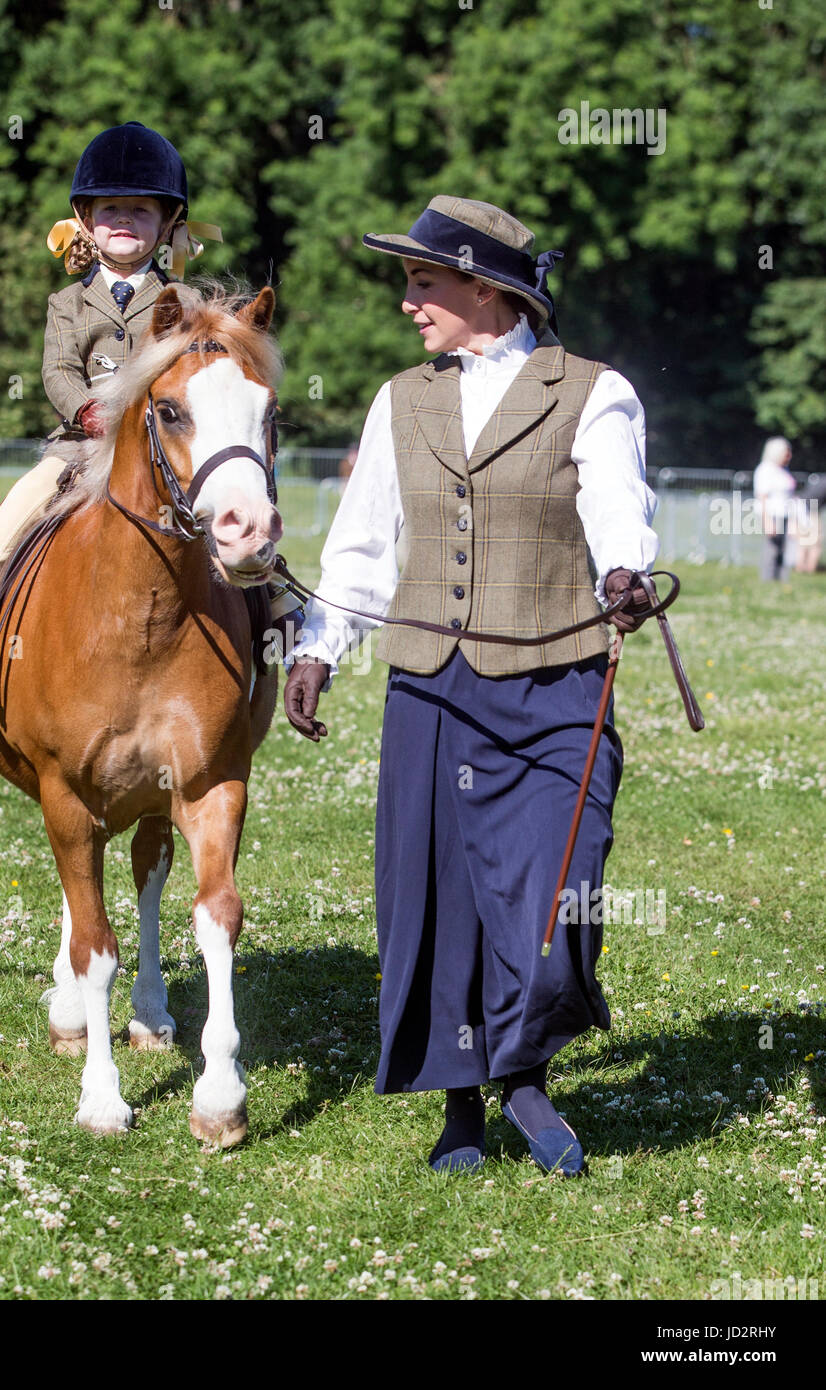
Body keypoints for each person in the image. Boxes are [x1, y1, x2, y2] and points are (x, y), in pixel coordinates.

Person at [283, 197, 658, 1176]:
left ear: (485, 288)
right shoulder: (400, 399)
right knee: (436, 899)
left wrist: (624, 570)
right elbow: (365, 540)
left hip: (557, 685)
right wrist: (319, 648)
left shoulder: (591, 391)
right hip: (430, 689)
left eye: (423, 282)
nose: (408, 303)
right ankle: (465, 1104)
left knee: (557, 895)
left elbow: (619, 496)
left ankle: (524, 1067)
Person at [0, 122, 303, 658]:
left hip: (165, 441)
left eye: (141, 210)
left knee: (231, 487)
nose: (124, 219)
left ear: (168, 222)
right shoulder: (66, 303)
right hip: (84, 440)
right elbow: (57, 370)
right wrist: (86, 409)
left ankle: (274, 595)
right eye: (110, 210)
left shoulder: (186, 300)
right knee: (33, 490)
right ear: (85, 220)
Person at [753, 436, 796, 582]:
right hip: (772, 514)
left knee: (783, 549)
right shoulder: (765, 469)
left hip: (784, 513)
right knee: (772, 549)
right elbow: (762, 496)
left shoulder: (783, 470)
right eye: (786, 452)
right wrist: (767, 520)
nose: (789, 456)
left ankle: (781, 580)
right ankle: (768, 580)